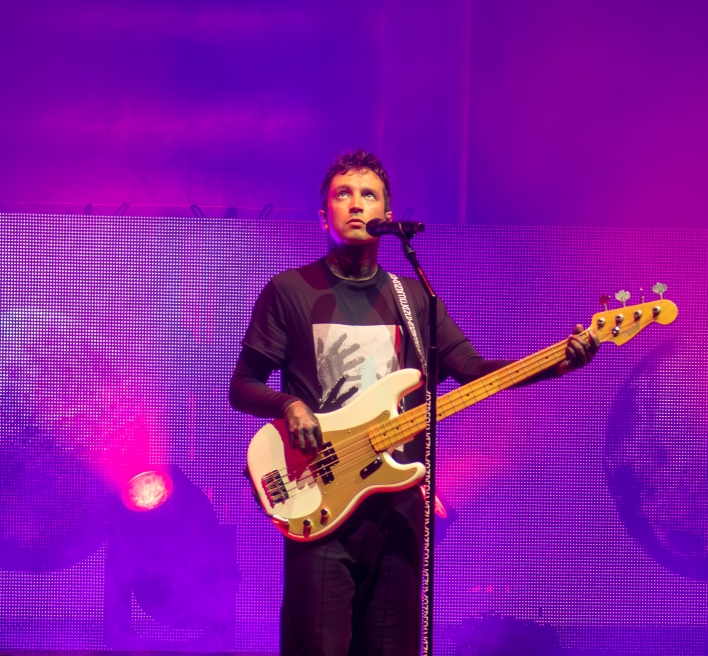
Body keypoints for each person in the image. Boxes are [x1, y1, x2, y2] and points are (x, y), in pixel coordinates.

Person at [229, 149, 599, 656]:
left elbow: (473, 371)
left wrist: (553, 364)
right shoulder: (290, 290)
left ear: (386, 213)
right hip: (321, 499)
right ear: (323, 216)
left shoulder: (415, 299)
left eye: (368, 195)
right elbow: (243, 384)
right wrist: (290, 404)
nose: (355, 204)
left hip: (400, 508)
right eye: (343, 194)